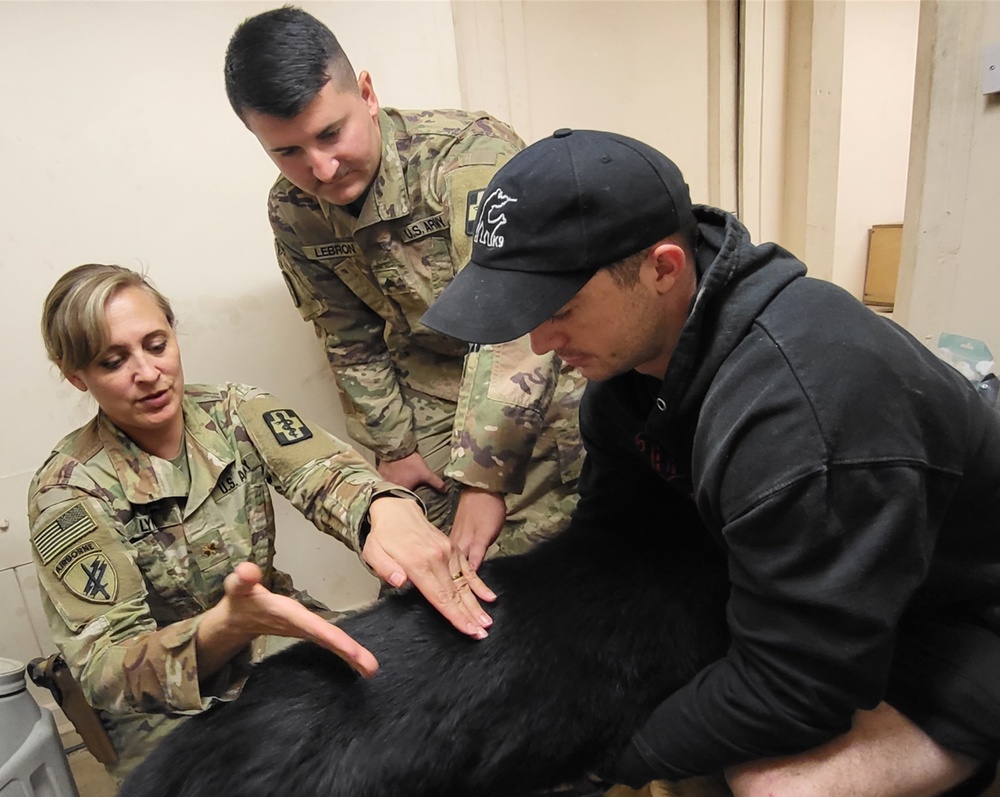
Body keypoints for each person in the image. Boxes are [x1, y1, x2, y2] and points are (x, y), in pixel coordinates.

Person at [421, 129, 1000, 796]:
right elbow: (611, 550)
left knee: (771, 784)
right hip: (825, 599)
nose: (541, 342)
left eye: (561, 309)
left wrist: (598, 757)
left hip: (957, 627)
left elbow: (801, 686)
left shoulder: (799, 417)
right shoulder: (629, 379)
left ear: (664, 268)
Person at [28, 263, 494, 781]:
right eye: (113, 361)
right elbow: (106, 670)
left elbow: (326, 473)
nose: (147, 373)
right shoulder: (67, 491)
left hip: (273, 633)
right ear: (77, 376)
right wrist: (221, 629)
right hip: (163, 703)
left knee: (401, 734)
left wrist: (383, 509)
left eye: (156, 345)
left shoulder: (234, 411)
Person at [222, 6, 585, 576]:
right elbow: (348, 336)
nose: (320, 168)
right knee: (427, 582)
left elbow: (516, 319)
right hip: (428, 396)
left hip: (535, 373)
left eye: (329, 133)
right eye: (287, 151)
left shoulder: (469, 155)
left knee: (537, 573)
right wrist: (394, 449)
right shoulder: (294, 211)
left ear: (365, 92)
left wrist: (484, 480)